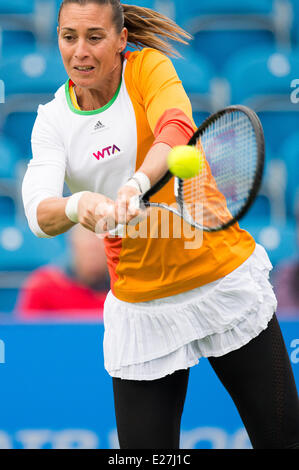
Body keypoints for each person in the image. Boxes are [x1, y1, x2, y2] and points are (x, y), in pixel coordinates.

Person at [21, 0, 299, 449]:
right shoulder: (52, 121)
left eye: (95, 37)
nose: (80, 51)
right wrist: (79, 206)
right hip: (142, 305)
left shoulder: (150, 67)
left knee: (284, 441)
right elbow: (38, 211)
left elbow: (176, 127)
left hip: (221, 279)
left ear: (121, 39)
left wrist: (135, 184)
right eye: (68, 37)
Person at [16, 224, 110, 320]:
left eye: (102, 237)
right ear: (72, 241)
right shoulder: (43, 286)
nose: (93, 245)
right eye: (88, 236)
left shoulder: (122, 291)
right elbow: (26, 332)